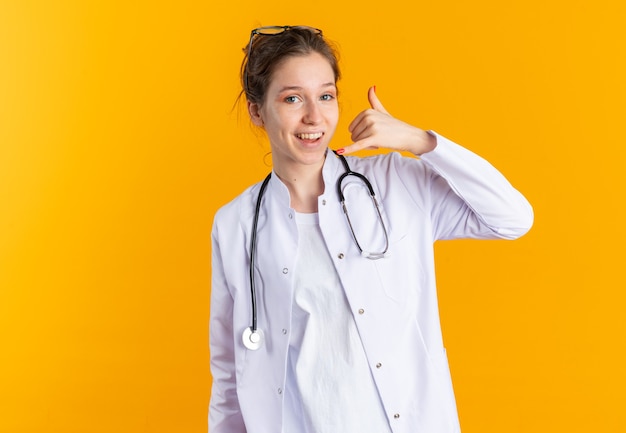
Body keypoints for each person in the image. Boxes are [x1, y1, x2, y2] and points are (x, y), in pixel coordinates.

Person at [209, 25, 533, 433]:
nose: (314, 116)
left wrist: (419, 141)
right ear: (258, 111)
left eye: (326, 96)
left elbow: (512, 218)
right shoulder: (236, 224)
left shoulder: (395, 184)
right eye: (293, 98)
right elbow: (229, 371)